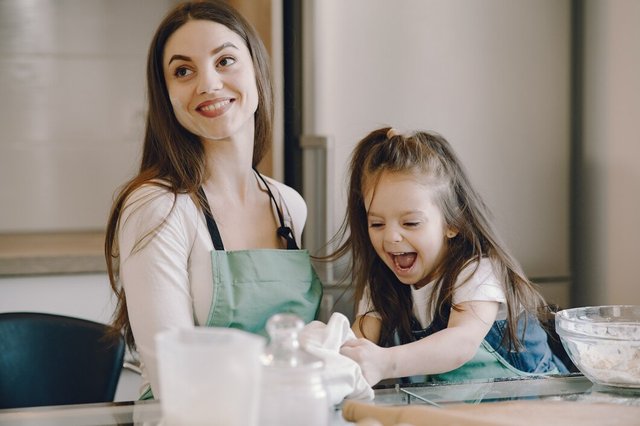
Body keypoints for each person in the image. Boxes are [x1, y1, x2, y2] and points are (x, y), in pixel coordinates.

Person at [104, 0, 322, 399]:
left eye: (225, 61)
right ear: (166, 96)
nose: (208, 83)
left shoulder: (288, 204)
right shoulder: (158, 208)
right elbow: (175, 377)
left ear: (256, 68)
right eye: (183, 71)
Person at [335, 127, 568, 386]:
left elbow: (461, 341)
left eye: (411, 223)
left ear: (452, 223)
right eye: (377, 224)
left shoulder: (477, 271)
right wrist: (328, 352)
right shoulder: (381, 283)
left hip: (539, 401)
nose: (390, 237)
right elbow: (358, 345)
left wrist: (385, 362)